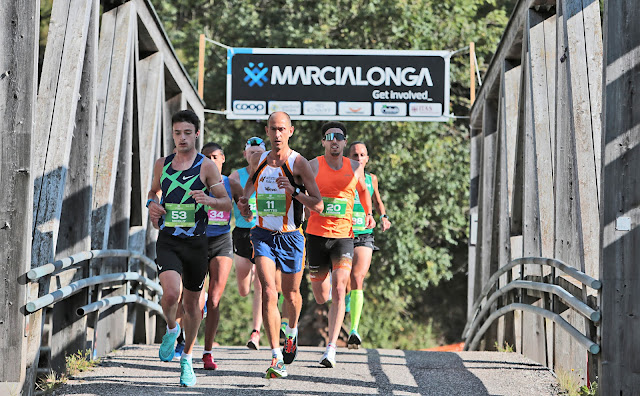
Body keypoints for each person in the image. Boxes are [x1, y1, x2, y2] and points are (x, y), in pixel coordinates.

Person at [147, 110, 231, 387]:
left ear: (196, 134)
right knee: (171, 294)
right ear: (172, 134)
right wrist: (152, 206)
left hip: (197, 243)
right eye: (176, 133)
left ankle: (187, 358)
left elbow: (225, 203)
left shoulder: (206, 166)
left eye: (186, 133)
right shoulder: (163, 163)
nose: (181, 138)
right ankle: (172, 328)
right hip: (169, 240)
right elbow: (152, 193)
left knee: (194, 304)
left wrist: (208, 199)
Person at [237, 111, 323, 378]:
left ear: (291, 131)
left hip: (292, 237)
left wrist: (294, 192)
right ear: (266, 130)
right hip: (262, 235)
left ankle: (292, 332)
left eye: (282, 129)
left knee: (292, 295)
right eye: (273, 129)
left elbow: (318, 205)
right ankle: (276, 357)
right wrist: (246, 208)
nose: (277, 135)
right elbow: (248, 191)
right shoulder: (258, 159)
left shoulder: (299, 164)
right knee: (268, 292)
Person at [306, 122, 375, 368]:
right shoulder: (313, 165)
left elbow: (365, 191)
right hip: (315, 236)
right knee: (321, 295)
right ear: (323, 142)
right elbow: (296, 189)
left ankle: (331, 349)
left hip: (344, 236)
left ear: (344, 142)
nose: (334, 140)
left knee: (339, 289)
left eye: (339, 137)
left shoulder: (355, 167)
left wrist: (369, 212)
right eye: (329, 137)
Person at [200, 142, 244, 369]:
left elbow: (245, 207)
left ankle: (208, 352)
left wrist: (247, 207)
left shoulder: (231, 183)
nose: (211, 160)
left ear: (223, 159)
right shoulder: (194, 183)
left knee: (215, 299)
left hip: (221, 241)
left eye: (215, 156)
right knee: (192, 300)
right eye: (206, 157)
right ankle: (180, 338)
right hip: (196, 242)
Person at [345, 141, 392, 349]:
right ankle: (345, 300)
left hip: (365, 233)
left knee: (357, 277)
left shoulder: (372, 178)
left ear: (367, 158)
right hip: (343, 233)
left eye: (362, 155)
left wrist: (383, 216)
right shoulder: (343, 176)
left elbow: (378, 200)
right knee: (344, 278)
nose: (358, 158)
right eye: (354, 155)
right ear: (348, 158)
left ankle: (354, 330)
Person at [229, 137, 266, 350]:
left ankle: (256, 332)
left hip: (263, 233)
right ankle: (250, 272)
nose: (255, 156)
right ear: (245, 155)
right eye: (251, 153)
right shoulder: (236, 176)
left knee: (262, 285)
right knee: (244, 289)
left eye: (258, 153)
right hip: (242, 234)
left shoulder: (270, 172)